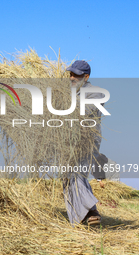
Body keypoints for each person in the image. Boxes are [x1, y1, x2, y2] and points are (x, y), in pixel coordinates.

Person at [62, 60, 107, 226]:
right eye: (71, 74)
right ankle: (84, 216)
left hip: (86, 140)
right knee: (69, 176)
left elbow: (83, 113)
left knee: (74, 173)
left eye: (76, 75)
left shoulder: (95, 93)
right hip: (68, 141)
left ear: (86, 77)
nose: (72, 78)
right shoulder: (70, 91)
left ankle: (91, 211)